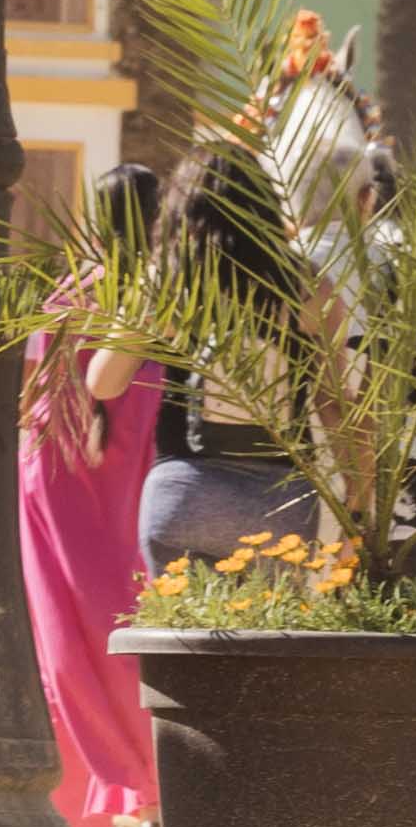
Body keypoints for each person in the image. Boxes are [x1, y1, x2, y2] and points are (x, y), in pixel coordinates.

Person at [20, 162, 166, 827]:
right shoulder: (164, 295)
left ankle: (83, 797)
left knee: (62, 638)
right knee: (129, 627)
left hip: (54, 462)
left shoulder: (72, 287)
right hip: (132, 470)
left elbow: (34, 385)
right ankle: (148, 786)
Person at [123, 155, 317, 565]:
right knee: (275, 627)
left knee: (178, 628)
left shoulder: (165, 282)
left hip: (185, 491)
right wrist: (358, 502)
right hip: (283, 503)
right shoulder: (307, 286)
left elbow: (103, 382)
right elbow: (336, 402)